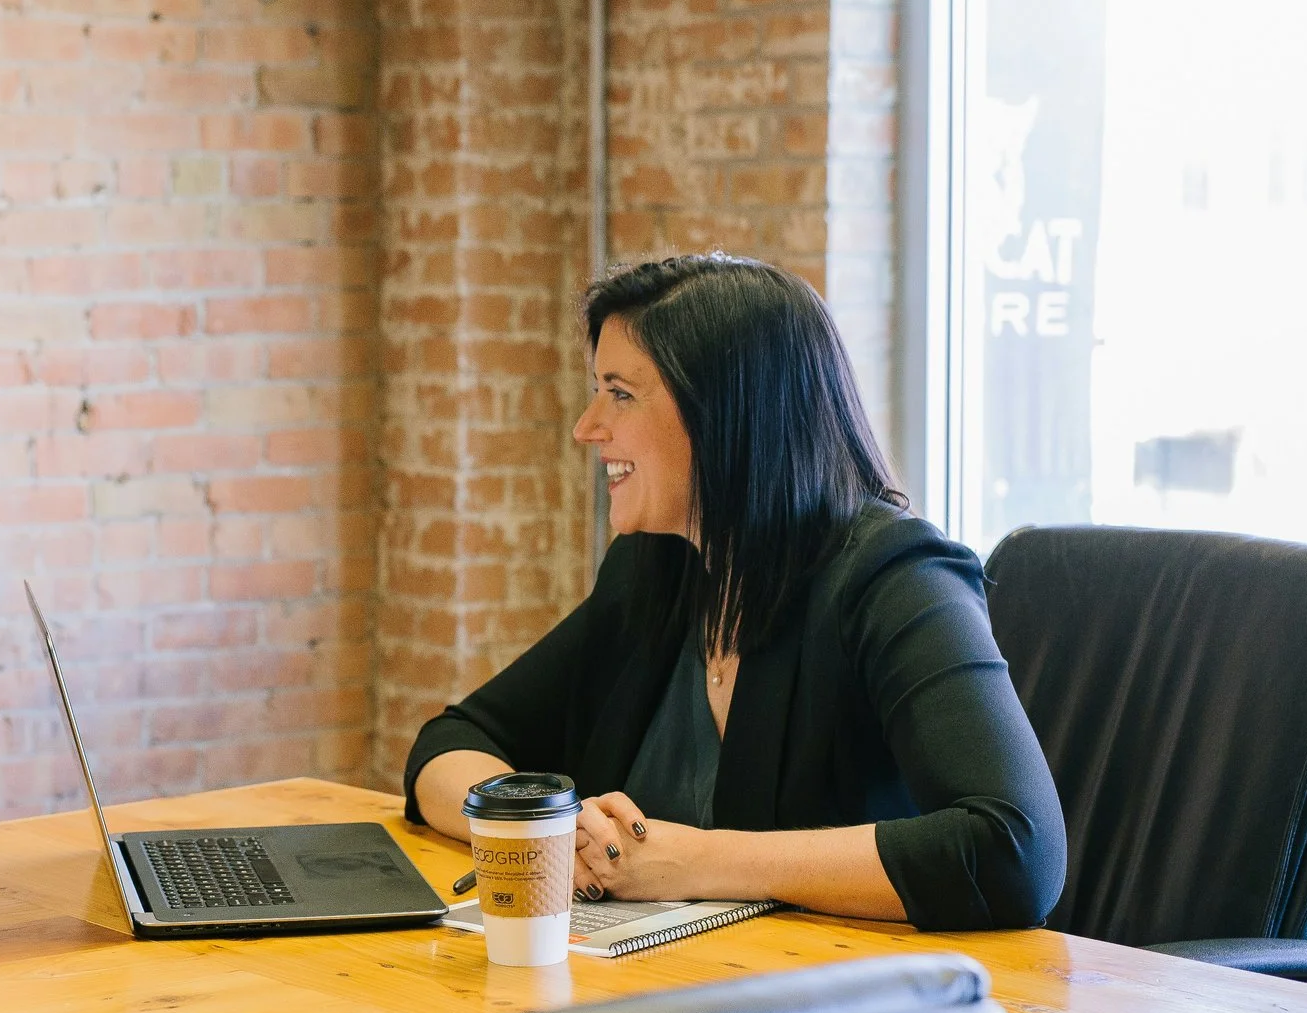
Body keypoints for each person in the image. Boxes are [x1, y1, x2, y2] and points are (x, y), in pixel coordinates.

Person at [405, 254, 1066, 930]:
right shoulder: (657, 569)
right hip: (676, 994)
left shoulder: (897, 577)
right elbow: (451, 742)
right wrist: (550, 834)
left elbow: (1015, 850)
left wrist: (693, 861)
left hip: (848, 1006)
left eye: (620, 392)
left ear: (723, 413)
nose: (587, 426)